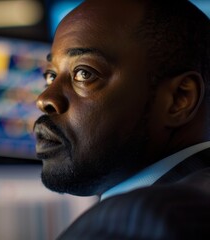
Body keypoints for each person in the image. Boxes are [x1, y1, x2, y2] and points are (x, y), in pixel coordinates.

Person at [33, 0, 210, 239]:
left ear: (179, 98)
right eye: (51, 75)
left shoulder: (130, 223)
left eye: (84, 73)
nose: (45, 99)